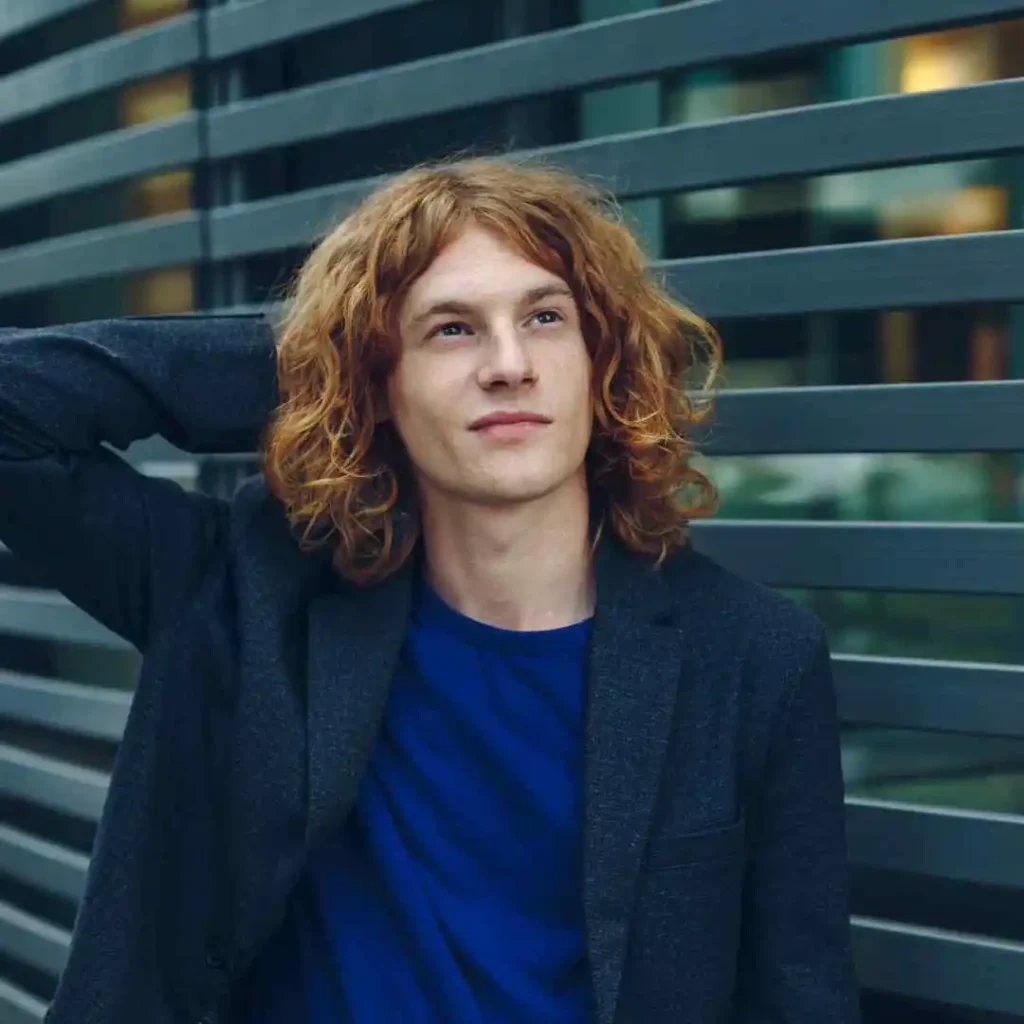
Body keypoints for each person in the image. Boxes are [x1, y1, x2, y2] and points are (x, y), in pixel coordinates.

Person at [0, 157, 860, 1024]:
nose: (510, 365)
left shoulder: (753, 657)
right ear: (378, 378)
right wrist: (326, 362)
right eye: (453, 330)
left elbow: (800, 999)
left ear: (603, 363)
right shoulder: (243, 594)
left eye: (547, 318)